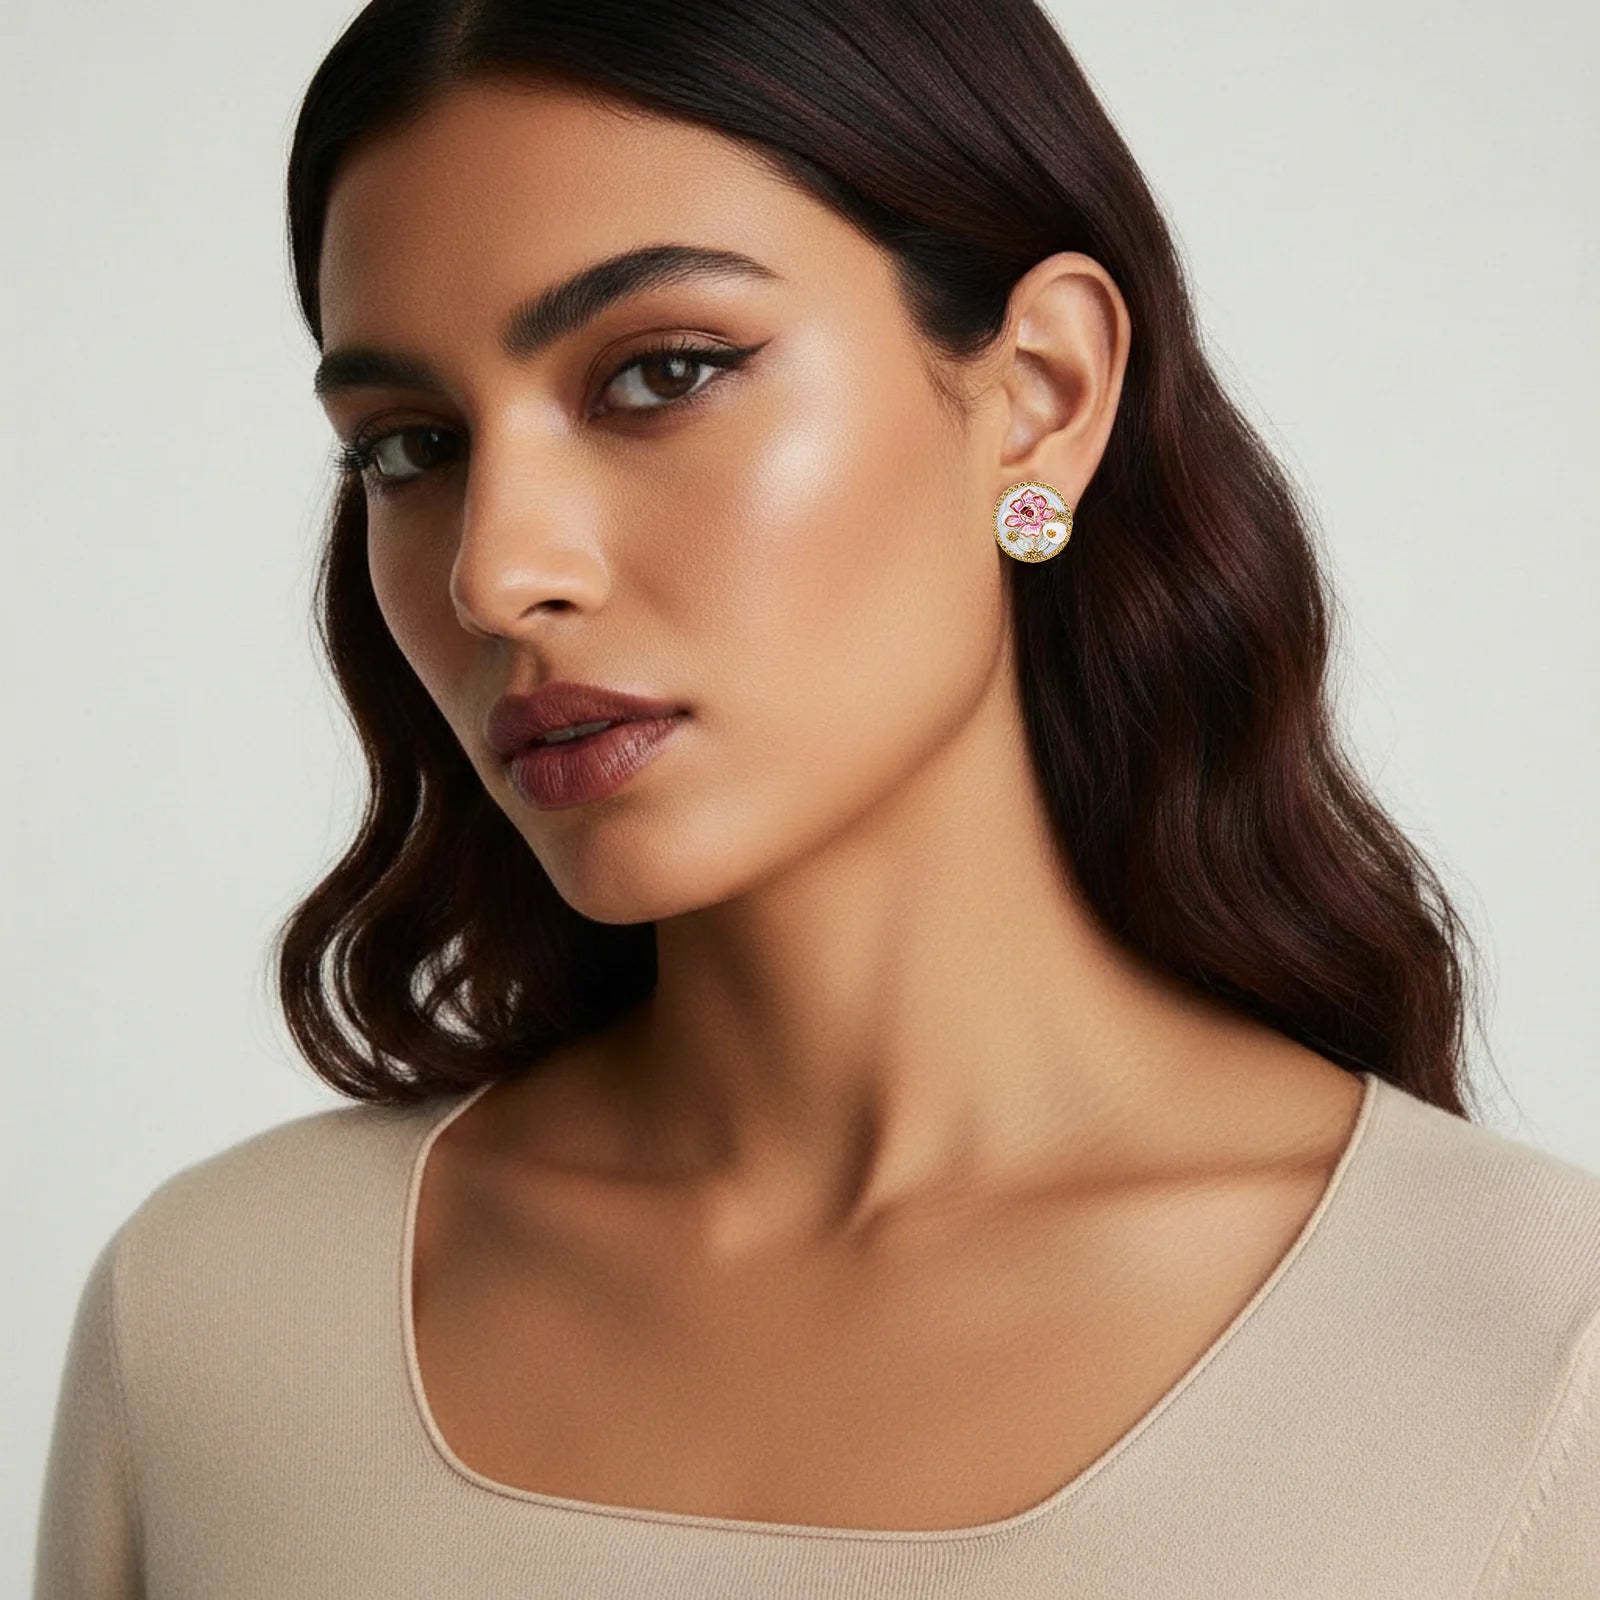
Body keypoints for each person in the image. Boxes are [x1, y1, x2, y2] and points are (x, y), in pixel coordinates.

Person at [34, 0, 1600, 1594]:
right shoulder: (218, 1326)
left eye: (663, 372)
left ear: (1042, 392)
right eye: (409, 447)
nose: (498, 571)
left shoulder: (1542, 1360)